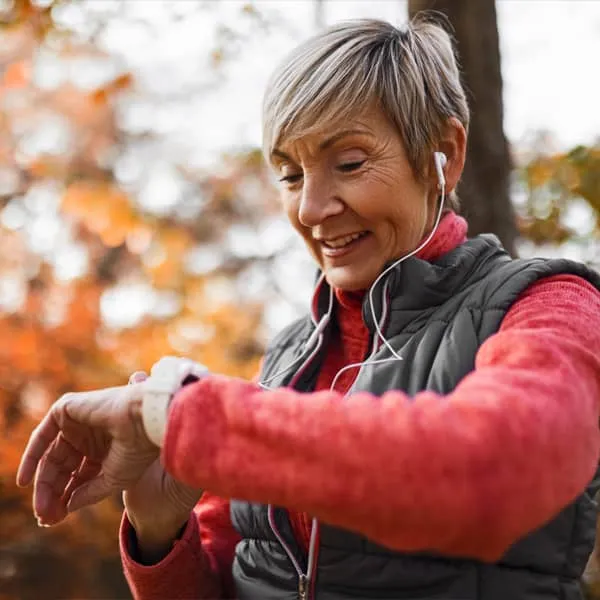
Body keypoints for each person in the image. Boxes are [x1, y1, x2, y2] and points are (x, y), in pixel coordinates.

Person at [17, 17, 600, 600]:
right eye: (291, 175)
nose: (313, 209)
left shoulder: (549, 304)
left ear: (442, 154)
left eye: (348, 164)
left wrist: (179, 414)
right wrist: (159, 526)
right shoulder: (288, 356)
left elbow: (493, 470)